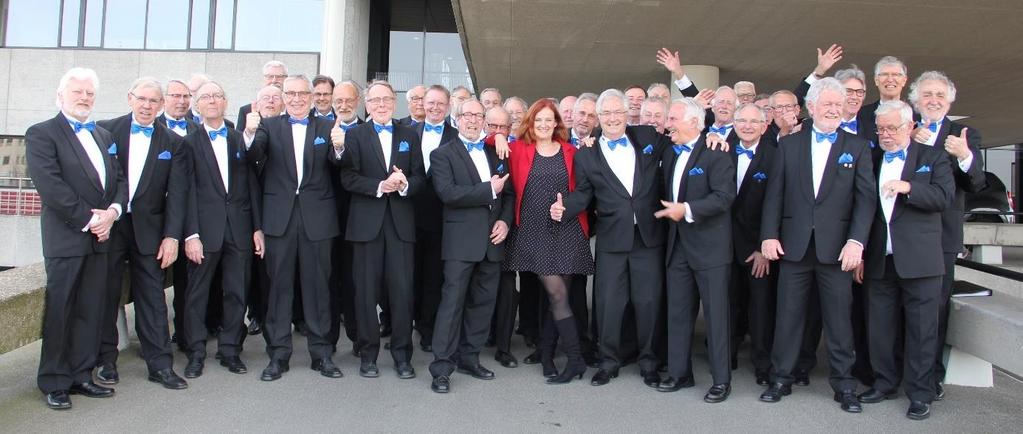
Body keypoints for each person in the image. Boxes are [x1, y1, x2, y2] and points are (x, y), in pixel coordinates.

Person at [759, 78, 876, 413]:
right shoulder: (789, 145)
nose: (833, 110)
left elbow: (865, 202)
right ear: (811, 107)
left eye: (838, 105)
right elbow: (774, 196)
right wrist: (769, 235)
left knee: (839, 321)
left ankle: (844, 385)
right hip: (794, 247)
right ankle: (781, 377)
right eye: (827, 104)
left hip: (838, 250)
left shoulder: (857, 147)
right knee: (789, 316)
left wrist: (857, 242)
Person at [554, 89, 667, 387]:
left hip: (648, 236)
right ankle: (608, 361)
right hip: (612, 239)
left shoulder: (647, 137)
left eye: (619, 112)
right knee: (608, 304)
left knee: (648, 302)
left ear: (627, 113)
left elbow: (681, 139)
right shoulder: (587, 154)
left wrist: (713, 138)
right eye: (607, 114)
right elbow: (584, 194)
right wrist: (564, 208)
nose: (614, 118)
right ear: (599, 118)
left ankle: (649, 363)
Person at [28, 67, 126, 410]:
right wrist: (90, 220)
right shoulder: (41, 134)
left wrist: (112, 213)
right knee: (61, 310)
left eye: (89, 93)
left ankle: (82, 374)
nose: (84, 98)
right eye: (77, 92)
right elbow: (51, 186)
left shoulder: (103, 134)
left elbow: (119, 180)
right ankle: (54, 380)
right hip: (67, 238)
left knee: (91, 309)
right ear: (61, 96)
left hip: (102, 237)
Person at [243, 74, 345, 381]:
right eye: (291, 93)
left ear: (313, 97)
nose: (297, 98)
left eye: (303, 93)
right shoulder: (268, 126)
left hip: (318, 220)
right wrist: (248, 133)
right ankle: (279, 355)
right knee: (279, 289)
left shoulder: (327, 127)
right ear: (284, 97)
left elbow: (340, 165)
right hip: (279, 220)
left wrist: (340, 149)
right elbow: (253, 155)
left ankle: (321, 354)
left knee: (318, 290)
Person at [856, 100, 954, 421]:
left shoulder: (933, 157)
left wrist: (909, 187)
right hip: (878, 259)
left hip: (921, 261)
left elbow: (943, 197)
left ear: (910, 127)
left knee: (922, 330)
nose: (885, 134)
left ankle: (921, 393)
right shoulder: (869, 159)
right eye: (881, 128)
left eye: (892, 128)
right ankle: (884, 383)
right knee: (879, 328)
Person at [97, 78, 190, 390]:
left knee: (152, 297)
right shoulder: (105, 130)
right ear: (130, 98)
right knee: (106, 294)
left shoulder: (174, 143)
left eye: (154, 101)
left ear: (161, 105)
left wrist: (172, 236)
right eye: (142, 99)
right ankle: (105, 361)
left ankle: (160, 365)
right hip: (111, 227)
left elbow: (177, 195)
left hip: (151, 230)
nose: (147, 105)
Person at [503, 98, 594, 384]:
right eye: (538, 120)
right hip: (533, 230)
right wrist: (495, 137)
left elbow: (584, 189)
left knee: (559, 297)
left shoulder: (572, 151)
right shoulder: (518, 148)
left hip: (565, 227)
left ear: (557, 123)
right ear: (531, 122)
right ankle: (575, 359)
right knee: (556, 295)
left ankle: (547, 356)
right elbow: (486, 138)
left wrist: (567, 205)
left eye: (548, 120)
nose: (543, 125)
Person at [907, 71, 985, 400]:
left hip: (942, 237)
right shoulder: (905, 128)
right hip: (904, 233)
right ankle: (898, 372)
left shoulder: (963, 134)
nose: (934, 100)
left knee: (934, 311)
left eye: (940, 94)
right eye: (927, 95)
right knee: (899, 307)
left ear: (950, 100)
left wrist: (964, 156)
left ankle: (929, 378)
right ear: (916, 101)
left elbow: (976, 183)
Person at [340, 80, 426, 379]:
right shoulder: (355, 135)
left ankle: (403, 356)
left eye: (386, 100)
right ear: (366, 103)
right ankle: (368, 355)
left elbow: (420, 178)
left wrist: (405, 185)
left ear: (394, 102)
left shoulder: (409, 135)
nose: (380, 105)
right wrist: (379, 186)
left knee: (402, 293)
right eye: (374, 100)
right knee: (365, 293)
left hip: (401, 226)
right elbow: (347, 178)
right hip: (366, 227)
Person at [427, 98, 513, 393]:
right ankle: (441, 366)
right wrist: (489, 189)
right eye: (468, 116)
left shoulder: (495, 151)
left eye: (479, 116)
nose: (474, 120)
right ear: (457, 119)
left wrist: (504, 221)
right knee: (452, 305)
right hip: (460, 243)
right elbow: (448, 194)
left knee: (482, 304)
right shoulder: (442, 155)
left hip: (492, 241)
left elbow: (510, 193)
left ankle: (470, 357)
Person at [653, 98, 736, 402]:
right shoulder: (672, 154)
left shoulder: (716, 153)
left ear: (694, 123)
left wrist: (686, 209)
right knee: (678, 313)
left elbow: (724, 197)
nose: (667, 124)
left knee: (716, 317)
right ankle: (679, 373)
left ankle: (721, 380)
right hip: (678, 249)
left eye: (673, 119)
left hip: (710, 250)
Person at [180, 81, 263, 378]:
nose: (212, 101)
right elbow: (184, 192)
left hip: (239, 229)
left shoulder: (240, 138)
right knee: (197, 294)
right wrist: (190, 234)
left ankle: (230, 350)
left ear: (226, 102)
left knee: (237, 292)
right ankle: (196, 352)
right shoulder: (187, 143)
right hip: (203, 232)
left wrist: (257, 228)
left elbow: (252, 185)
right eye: (206, 97)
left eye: (217, 96)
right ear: (197, 105)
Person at [727, 104, 779, 386]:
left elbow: (777, 203)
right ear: (734, 123)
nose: (747, 126)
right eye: (742, 121)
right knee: (729, 302)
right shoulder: (721, 148)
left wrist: (763, 247)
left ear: (763, 125)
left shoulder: (774, 156)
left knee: (760, 307)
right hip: (726, 244)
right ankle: (728, 354)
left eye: (753, 121)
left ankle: (762, 362)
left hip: (758, 248)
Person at [412, 85, 459, 352]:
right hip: (409, 216)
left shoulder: (456, 136)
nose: (435, 108)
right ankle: (408, 325)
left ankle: (429, 330)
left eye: (440, 103)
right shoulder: (408, 132)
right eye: (430, 103)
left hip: (442, 218)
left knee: (433, 277)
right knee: (409, 275)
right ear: (422, 104)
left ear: (449, 105)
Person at [237, 60, 287, 132]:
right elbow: (240, 140)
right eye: (270, 76)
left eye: (279, 77)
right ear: (264, 79)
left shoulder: (294, 108)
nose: (274, 80)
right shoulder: (246, 110)